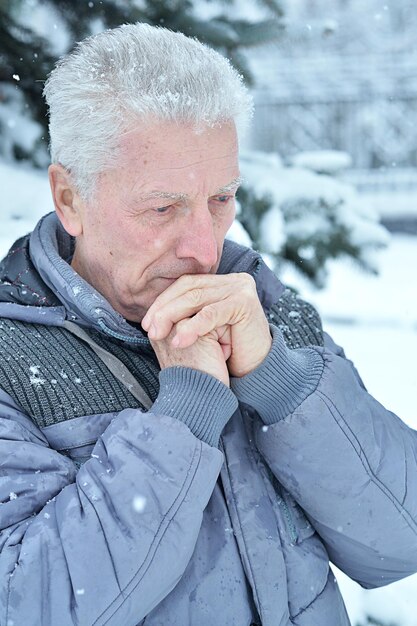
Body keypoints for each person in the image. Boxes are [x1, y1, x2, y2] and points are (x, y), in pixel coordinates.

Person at [0, 23, 416, 626]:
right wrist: (184, 418)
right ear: (70, 199)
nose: (203, 247)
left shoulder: (261, 305)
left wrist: (278, 381)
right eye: (162, 207)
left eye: (221, 199)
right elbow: (27, 605)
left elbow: (399, 540)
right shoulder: (9, 358)